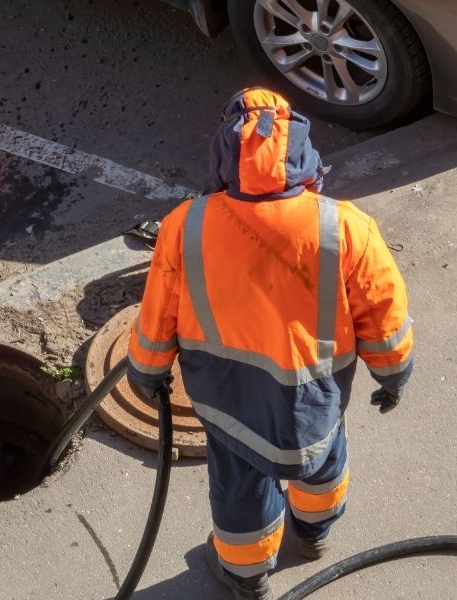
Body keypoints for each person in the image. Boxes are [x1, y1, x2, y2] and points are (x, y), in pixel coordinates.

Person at [127, 88, 413, 600]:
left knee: (242, 485)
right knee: (322, 461)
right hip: (314, 397)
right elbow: (382, 307)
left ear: (223, 155)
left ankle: (246, 576)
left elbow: (160, 309)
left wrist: (146, 369)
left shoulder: (185, 224)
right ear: (305, 152)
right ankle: (315, 536)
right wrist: (393, 373)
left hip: (228, 397)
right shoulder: (344, 225)